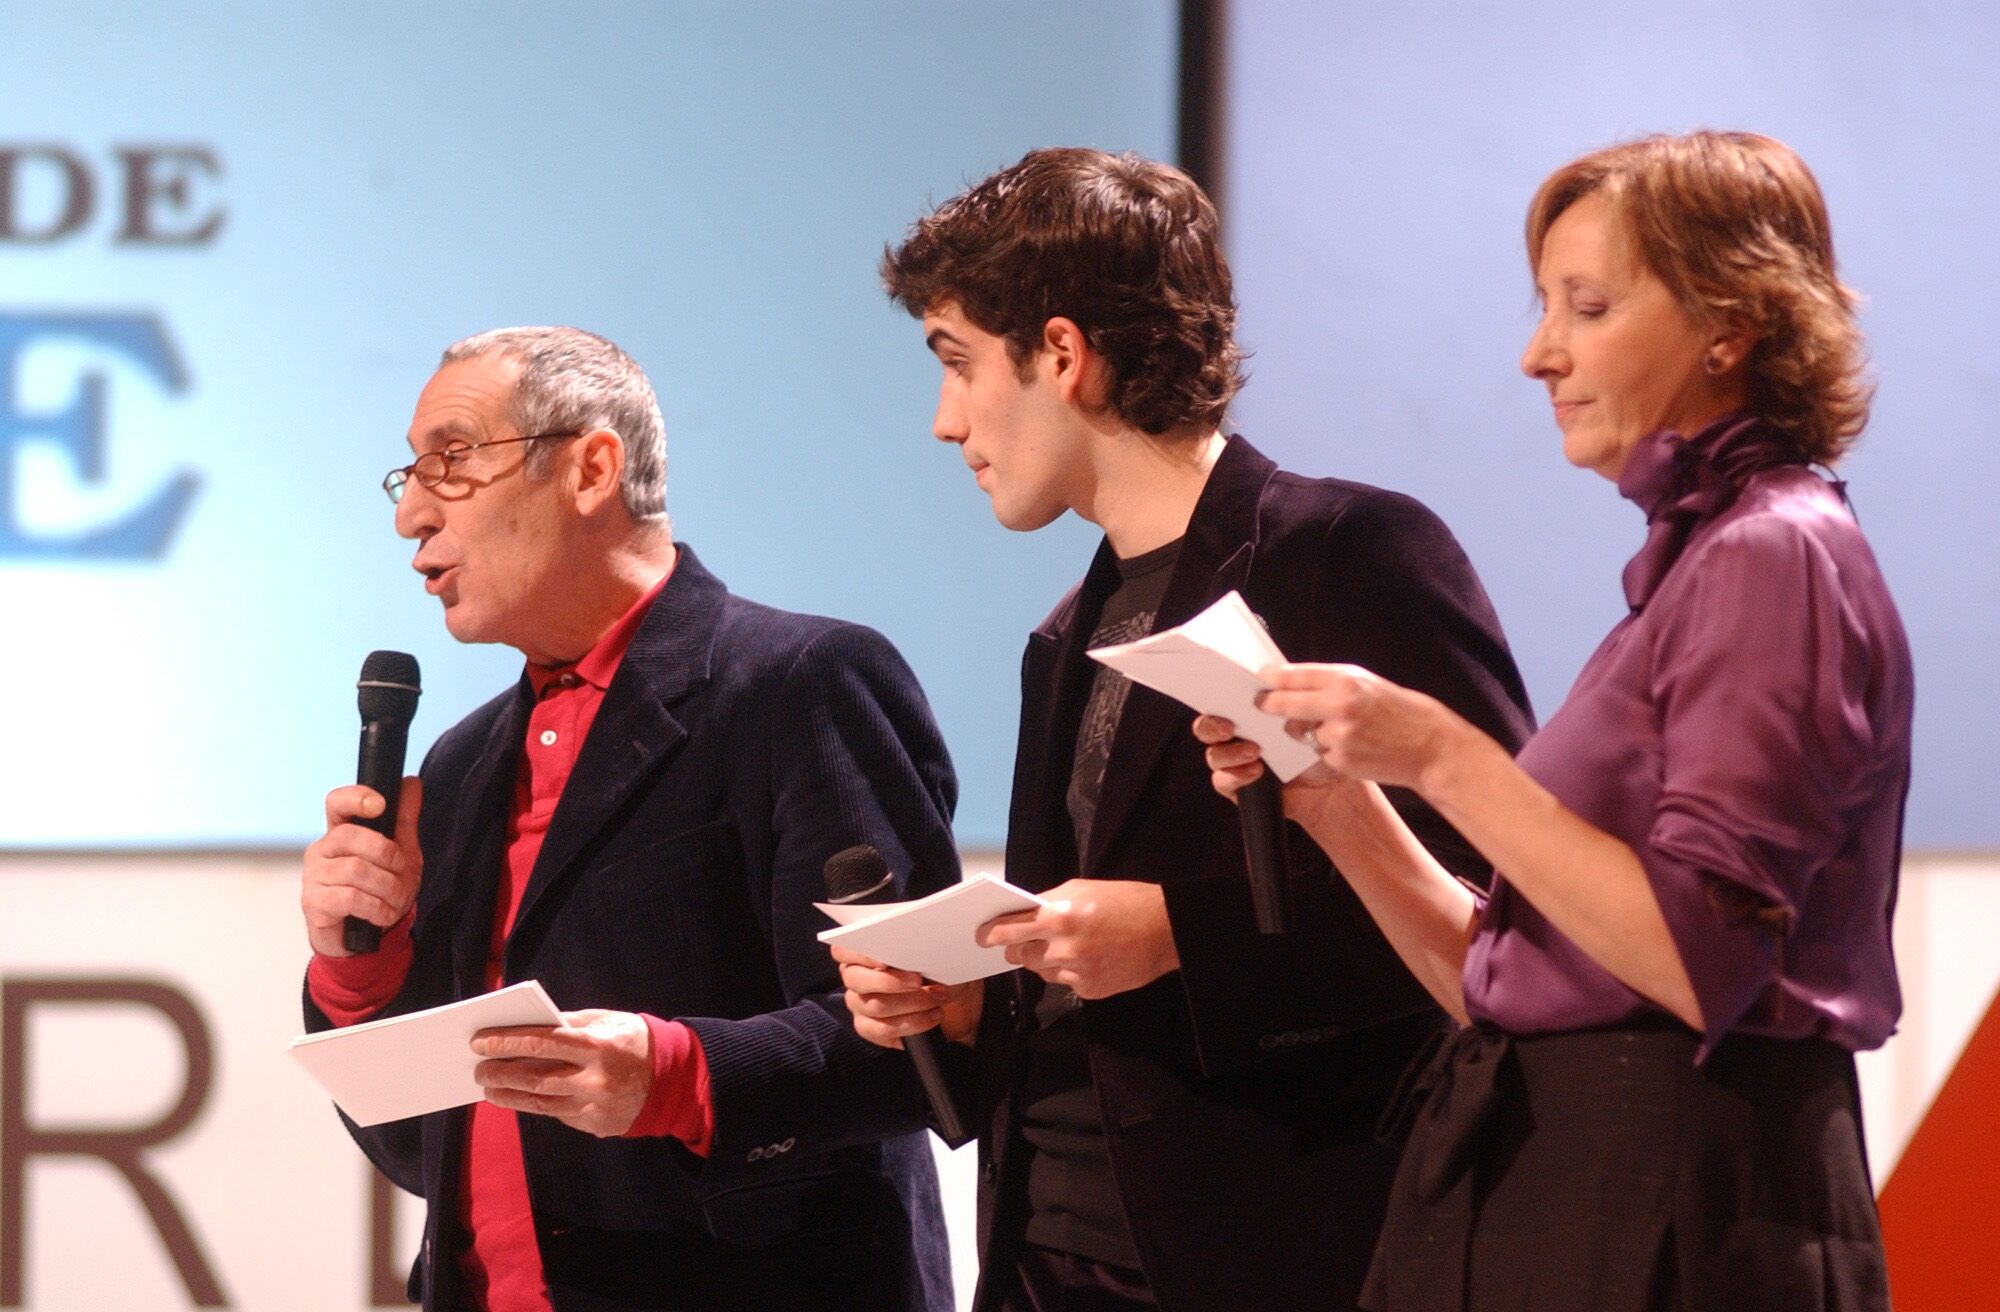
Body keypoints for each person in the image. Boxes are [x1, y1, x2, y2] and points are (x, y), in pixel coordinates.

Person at [1197, 131, 1909, 1311]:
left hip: (1678, 1190)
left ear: (1727, 323)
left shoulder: (1774, 554)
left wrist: (1438, 750)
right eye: (1543, 307)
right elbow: (1500, 983)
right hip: (1570, 1169)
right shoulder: (1699, 566)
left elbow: (1695, 959)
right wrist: (1330, 797)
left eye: (1584, 307)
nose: (1537, 354)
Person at [837, 148, 1535, 1312]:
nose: (943, 420)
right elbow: (1088, 992)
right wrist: (971, 1005)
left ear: (1061, 355)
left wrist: (1180, 934)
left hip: (1281, 1251)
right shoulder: (1064, 633)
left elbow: (1502, 913)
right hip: (1044, 1261)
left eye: (955, 363)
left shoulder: (1345, 551)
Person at [299, 327, 960, 1312]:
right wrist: (359, 968)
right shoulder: (460, 764)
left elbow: (922, 1041)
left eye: (450, 458)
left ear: (590, 466)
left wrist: (675, 1077)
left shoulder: (799, 685)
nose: (410, 515)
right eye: (407, 474)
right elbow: (423, 1148)